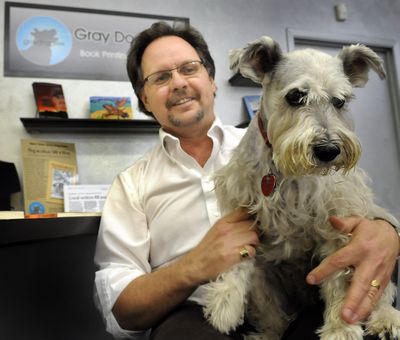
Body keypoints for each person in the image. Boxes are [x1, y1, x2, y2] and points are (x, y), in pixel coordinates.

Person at [94, 21, 400, 340]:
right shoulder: (130, 184)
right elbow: (122, 308)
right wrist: (194, 266)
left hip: (307, 290)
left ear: (212, 81)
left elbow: (351, 211)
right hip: (195, 313)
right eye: (160, 77)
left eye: (189, 68)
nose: (178, 83)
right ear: (144, 98)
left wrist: (388, 231)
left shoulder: (278, 146)